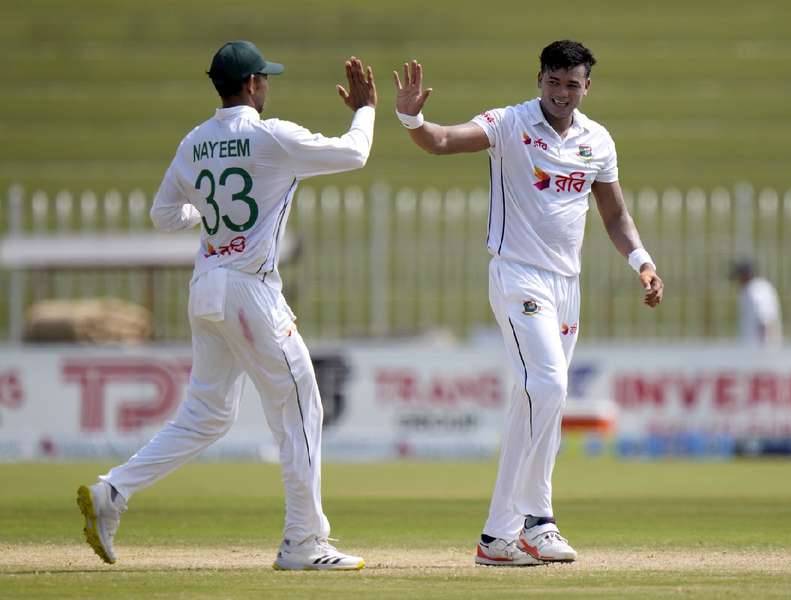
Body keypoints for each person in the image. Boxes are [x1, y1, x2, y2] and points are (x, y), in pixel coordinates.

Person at [77, 40, 377, 571]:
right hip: (249, 288)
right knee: (302, 406)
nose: (268, 86)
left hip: (208, 285)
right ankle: (305, 542)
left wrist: (207, 216)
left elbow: (163, 214)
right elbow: (355, 153)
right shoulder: (271, 135)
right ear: (254, 85)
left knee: (207, 415)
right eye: (266, 79)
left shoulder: (194, 142)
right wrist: (366, 110)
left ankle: (113, 491)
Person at [393, 40, 663, 566]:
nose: (563, 94)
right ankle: (538, 521)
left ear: (588, 86)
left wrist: (643, 263)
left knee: (533, 404)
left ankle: (496, 538)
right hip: (518, 276)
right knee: (550, 385)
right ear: (539, 79)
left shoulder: (597, 141)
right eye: (554, 82)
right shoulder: (509, 124)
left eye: (573, 84)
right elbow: (443, 140)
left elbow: (614, 217)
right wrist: (411, 119)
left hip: (568, 286)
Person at [731, 259, 782, 348]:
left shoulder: (757, 291)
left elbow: (764, 321)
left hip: (760, 352)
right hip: (753, 350)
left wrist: (763, 350)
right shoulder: (750, 290)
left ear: (745, 275)